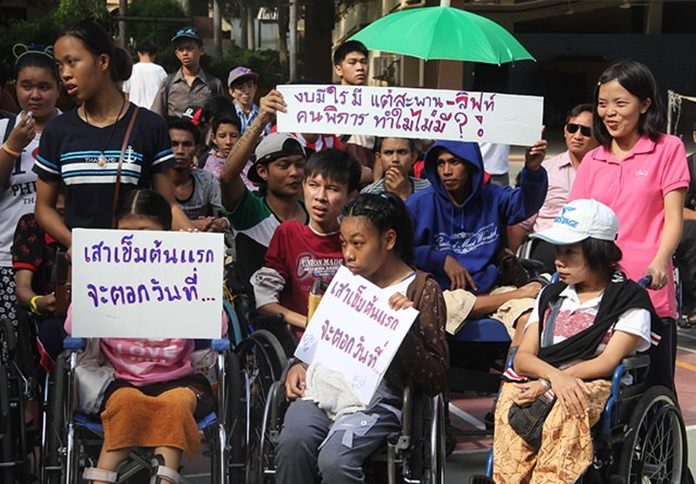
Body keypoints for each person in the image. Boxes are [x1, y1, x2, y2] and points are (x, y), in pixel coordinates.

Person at [274, 193, 447, 483]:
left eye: (358, 243)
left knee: (335, 461)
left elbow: (435, 379)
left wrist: (404, 332)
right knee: (292, 444)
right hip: (322, 389)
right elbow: (318, 342)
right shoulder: (346, 283)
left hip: (378, 402)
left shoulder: (421, 290)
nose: (348, 254)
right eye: (343, 243)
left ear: (388, 240)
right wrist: (298, 365)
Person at [491, 199, 657, 483]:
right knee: (510, 403)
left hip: (594, 382)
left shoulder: (630, 301)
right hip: (543, 376)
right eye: (558, 251)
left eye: (570, 252)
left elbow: (608, 361)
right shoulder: (550, 295)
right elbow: (523, 357)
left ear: (598, 252)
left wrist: (552, 383)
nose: (559, 260)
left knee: (567, 407)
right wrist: (553, 379)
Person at [66, 189, 223, 484]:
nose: (137, 242)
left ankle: (165, 479)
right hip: (120, 379)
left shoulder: (182, 274)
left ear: (166, 234)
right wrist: (85, 271)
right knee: (126, 403)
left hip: (180, 378)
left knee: (175, 405)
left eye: (147, 233)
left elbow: (217, 326)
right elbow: (75, 325)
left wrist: (199, 271)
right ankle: (101, 479)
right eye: (127, 234)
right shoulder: (106, 278)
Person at [569, 60, 689, 392]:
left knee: (654, 389)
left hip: (648, 286)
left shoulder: (668, 149)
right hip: (598, 289)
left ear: (645, 104)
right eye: (603, 104)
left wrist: (660, 261)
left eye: (620, 103)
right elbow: (576, 222)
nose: (609, 113)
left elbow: (673, 218)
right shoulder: (593, 159)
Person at [34, 20, 191, 258]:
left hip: (135, 265)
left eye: (72, 62)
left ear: (103, 62)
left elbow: (167, 204)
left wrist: (194, 241)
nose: (65, 74)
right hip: (80, 268)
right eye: (59, 65)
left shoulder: (149, 126)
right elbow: (43, 208)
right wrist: (76, 244)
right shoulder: (57, 130)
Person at [406, 139, 548, 343]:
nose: (446, 171)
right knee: (442, 304)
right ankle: (516, 295)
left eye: (454, 162)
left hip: (491, 288)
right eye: (440, 163)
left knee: (530, 315)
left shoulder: (493, 196)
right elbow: (399, 251)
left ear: (470, 165)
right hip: (443, 293)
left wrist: (533, 171)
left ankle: (515, 364)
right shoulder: (418, 204)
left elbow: (525, 205)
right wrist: (440, 259)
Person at [251, 149, 361, 333]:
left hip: (348, 338)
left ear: (350, 196)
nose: (320, 196)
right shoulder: (288, 234)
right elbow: (265, 302)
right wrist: (310, 324)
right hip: (299, 340)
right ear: (303, 186)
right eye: (313, 185)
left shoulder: (357, 240)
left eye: (332, 189)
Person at [220, 91, 308, 285]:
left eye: (300, 164)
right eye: (284, 165)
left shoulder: (316, 214)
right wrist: (260, 120)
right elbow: (227, 177)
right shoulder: (250, 212)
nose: (294, 172)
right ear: (262, 172)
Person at [0, 44, 60, 327]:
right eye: (26, 86)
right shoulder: (3, 130)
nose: (35, 95)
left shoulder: (73, 129)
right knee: (11, 343)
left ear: (59, 88)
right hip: (6, 255)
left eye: (44, 87)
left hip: (59, 256)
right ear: (15, 87)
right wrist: (11, 147)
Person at [511, 104, 598, 271]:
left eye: (586, 131)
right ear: (565, 131)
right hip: (547, 243)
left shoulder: (608, 172)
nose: (577, 136)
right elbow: (522, 222)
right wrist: (512, 261)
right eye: (572, 128)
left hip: (590, 246)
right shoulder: (544, 170)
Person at [168, 118, 229, 232]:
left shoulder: (206, 180)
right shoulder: (152, 180)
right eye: (174, 144)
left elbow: (231, 213)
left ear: (196, 150)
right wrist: (192, 225)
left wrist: (221, 223)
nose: (180, 151)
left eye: (187, 145)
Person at [151, 27, 223, 118]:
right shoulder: (168, 83)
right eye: (181, 49)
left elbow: (222, 117)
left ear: (201, 50)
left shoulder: (214, 84)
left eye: (189, 48)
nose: (185, 53)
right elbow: (155, 116)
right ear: (177, 54)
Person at [333, 40, 375, 173]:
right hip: (336, 170)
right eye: (352, 62)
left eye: (364, 62)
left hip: (370, 172)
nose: (360, 67)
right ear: (338, 69)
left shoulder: (378, 102)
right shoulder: (326, 102)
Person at [674, 121, 696, 324]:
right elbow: (676, 208)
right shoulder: (686, 168)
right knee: (690, 232)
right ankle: (693, 305)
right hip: (691, 228)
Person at [361, 137, 429, 200]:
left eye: (402, 152)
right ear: (379, 157)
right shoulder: (369, 193)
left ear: (413, 157)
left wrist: (403, 195)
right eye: (388, 153)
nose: (395, 159)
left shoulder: (428, 189)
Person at [121, 39, 167, 109]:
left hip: (135, 111)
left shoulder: (131, 70)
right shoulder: (160, 70)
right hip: (154, 111)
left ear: (139, 53)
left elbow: (126, 94)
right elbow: (166, 92)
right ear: (154, 54)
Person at [227, 66, 269, 135]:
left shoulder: (262, 115)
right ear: (232, 92)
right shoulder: (227, 115)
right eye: (240, 88)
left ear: (255, 88)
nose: (247, 91)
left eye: (250, 86)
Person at [202, 114, 242, 180]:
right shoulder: (211, 166)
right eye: (222, 136)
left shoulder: (246, 160)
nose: (228, 142)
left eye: (234, 136)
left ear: (240, 137)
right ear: (214, 138)